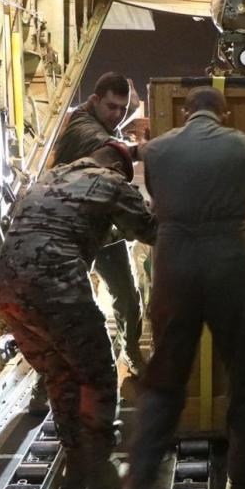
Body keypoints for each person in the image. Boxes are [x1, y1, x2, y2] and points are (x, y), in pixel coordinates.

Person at [114, 86, 245, 489]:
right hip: (230, 260)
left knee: (165, 372)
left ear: (185, 113)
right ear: (226, 112)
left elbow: (159, 198)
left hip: (175, 263)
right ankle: (241, 485)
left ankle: (136, 484)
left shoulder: (157, 150)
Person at [0, 141, 157, 489]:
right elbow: (152, 231)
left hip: (8, 290)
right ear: (117, 165)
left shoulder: (51, 177)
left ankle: (76, 465)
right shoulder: (112, 182)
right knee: (96, 373)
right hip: (54, 288)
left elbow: (72, 225)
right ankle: (99, 471)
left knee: (61, 375)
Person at [49, 72, 148, 376]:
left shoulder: (97, 119)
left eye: (122, 109)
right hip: (70, 234)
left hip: (102, 231)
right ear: (94, 101)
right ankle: (72, 371)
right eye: (111, 107)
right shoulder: (85, 129)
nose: (117, 115)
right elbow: (103, 146)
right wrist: (131, 150)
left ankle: (129, 351)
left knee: (129, 300)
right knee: (76, 310)